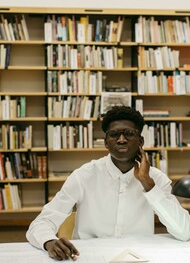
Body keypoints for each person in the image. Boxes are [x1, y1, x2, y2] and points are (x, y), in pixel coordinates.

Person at [26, 106, 190, 261]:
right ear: (106, 142)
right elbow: (41, 223)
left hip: (139, 257)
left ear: (140, 141)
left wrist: (148, 185)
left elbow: (184, 231)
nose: (121, 140)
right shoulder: (84, 176)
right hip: (89, 257)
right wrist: (49, 241)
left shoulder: (156, 178)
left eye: (128, 134)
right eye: (113, 135)